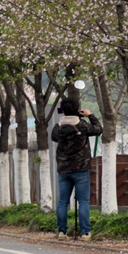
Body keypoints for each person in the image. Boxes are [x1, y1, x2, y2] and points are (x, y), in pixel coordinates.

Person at [52, 97, 102, 240]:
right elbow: (99, 129)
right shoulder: (83, 126)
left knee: (62, 201)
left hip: (63, 171)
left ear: (63, 111)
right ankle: (85, 233)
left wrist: (65, 118)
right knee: (83, 201)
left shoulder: (57, 128)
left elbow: (54, 137)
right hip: (81, 170)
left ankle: (62, 232)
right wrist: (89, 115)